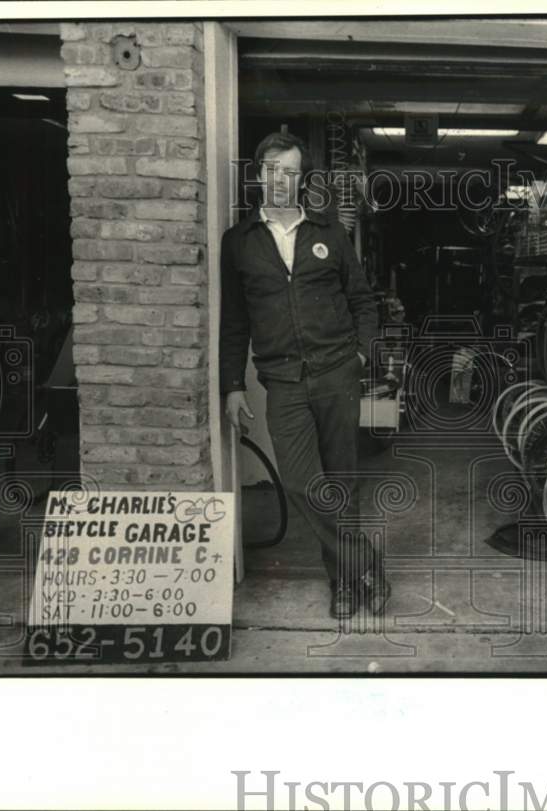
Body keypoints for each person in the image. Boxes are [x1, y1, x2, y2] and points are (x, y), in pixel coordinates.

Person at [219, 132, 388, 619]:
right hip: (284, 383)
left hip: (337, 374)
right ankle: (365, 565)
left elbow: (363, 303)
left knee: (341, 480)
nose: (280, 181)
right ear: (258, 173)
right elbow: (234, 321)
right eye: (272, 170)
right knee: (300, 481)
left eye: (290, 172)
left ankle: (342, 584)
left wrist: (360, 354)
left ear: (301, 178)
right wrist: (233, 384)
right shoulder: (240, 242)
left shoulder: (329, 232)